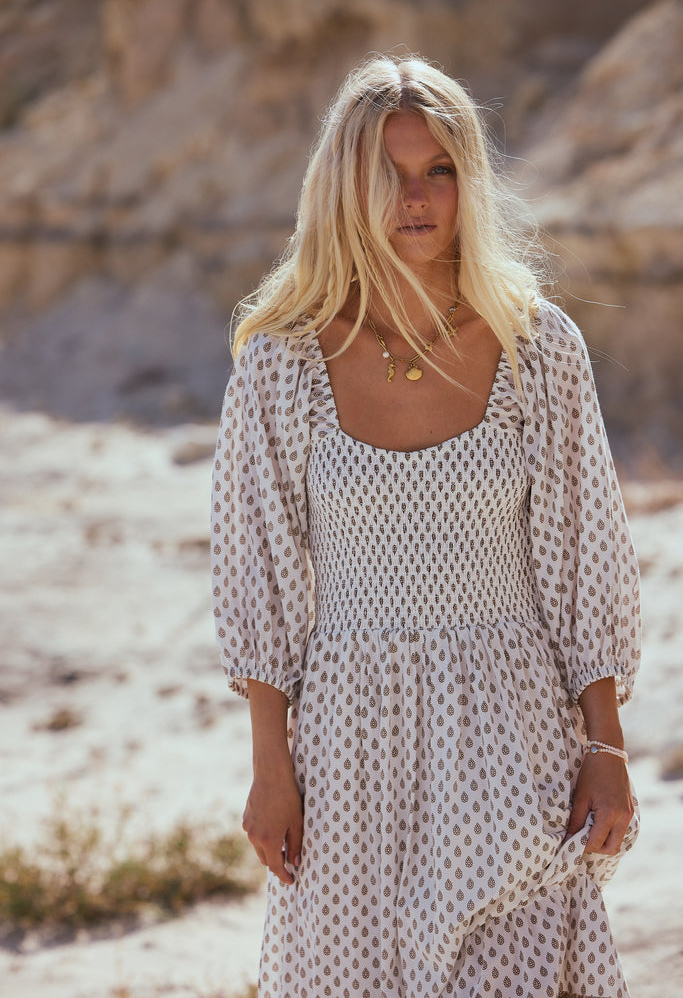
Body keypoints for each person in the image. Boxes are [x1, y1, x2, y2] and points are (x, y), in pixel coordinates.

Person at [211, 53, 640, 998]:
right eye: (388, 176)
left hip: (511, 728)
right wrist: (269, 767)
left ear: (467, 180)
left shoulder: (537, 347)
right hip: (348, 742)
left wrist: (604, 750)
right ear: (344, 188)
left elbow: (583, 555)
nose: (416, 199)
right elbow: (260, 579)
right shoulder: (281, 362)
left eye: (437, 170)